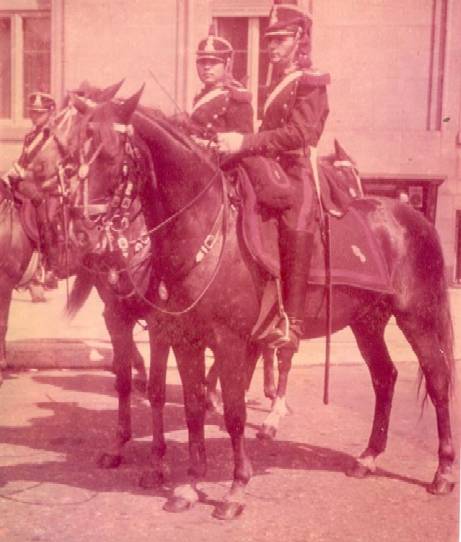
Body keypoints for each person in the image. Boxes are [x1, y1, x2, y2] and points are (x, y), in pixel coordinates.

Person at [217, 3, 330, 352]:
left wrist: (244, 142)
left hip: (297, 169)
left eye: (280, 40)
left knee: (297, 219)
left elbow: (301, 133)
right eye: (270, 40)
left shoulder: (311, 82)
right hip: (270, 167)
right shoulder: (278, 83)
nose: (272, 47)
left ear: (299, 39)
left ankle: (292, 320)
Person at [3, 91, 60, 288]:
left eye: (39, 113)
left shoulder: (54, 138)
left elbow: (53, 167)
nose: (35, 116)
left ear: (50, 113)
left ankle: (49, 266)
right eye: (33, 113)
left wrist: (28, 175)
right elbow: (23, 161)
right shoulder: (30, 137)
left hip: (47, 188)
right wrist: (11, 173)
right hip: (27, 184)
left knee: (46, 218)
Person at [174, 27, 254, 143]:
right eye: (202, 62)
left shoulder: (236, 98)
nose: (207, 67)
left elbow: (242, 142)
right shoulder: (201, 95)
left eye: (214, 62)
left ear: (227, 65)